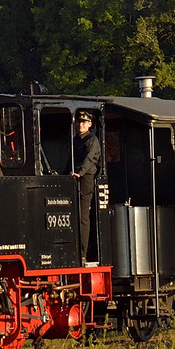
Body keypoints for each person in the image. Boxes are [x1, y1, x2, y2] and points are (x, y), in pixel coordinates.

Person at [73, 110, 103, 262]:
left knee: (84, 215)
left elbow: (89, 159)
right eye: (79, 122)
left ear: (90, 124)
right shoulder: (75, 140)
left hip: (86, 178)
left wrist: (80, 173)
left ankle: (83, 253)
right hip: (75, 176)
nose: (81, 124)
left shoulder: (92, 140)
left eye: (84, 122)